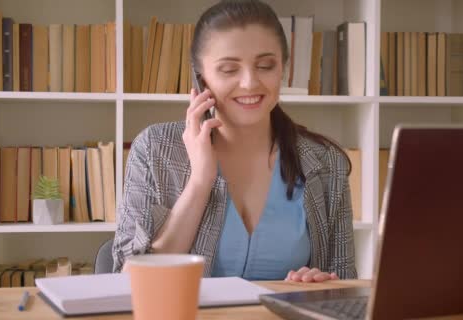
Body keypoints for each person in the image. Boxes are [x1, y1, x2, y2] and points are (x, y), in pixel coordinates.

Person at [113, 0, 357, 282]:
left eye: (266, 65)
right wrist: (200, 181)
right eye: (229, 70)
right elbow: (128, 281)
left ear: (284, 69)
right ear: (200, 77)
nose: (250, 82)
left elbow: (345, 285)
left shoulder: (325, 162)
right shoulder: (154, 149)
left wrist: (320, 285)